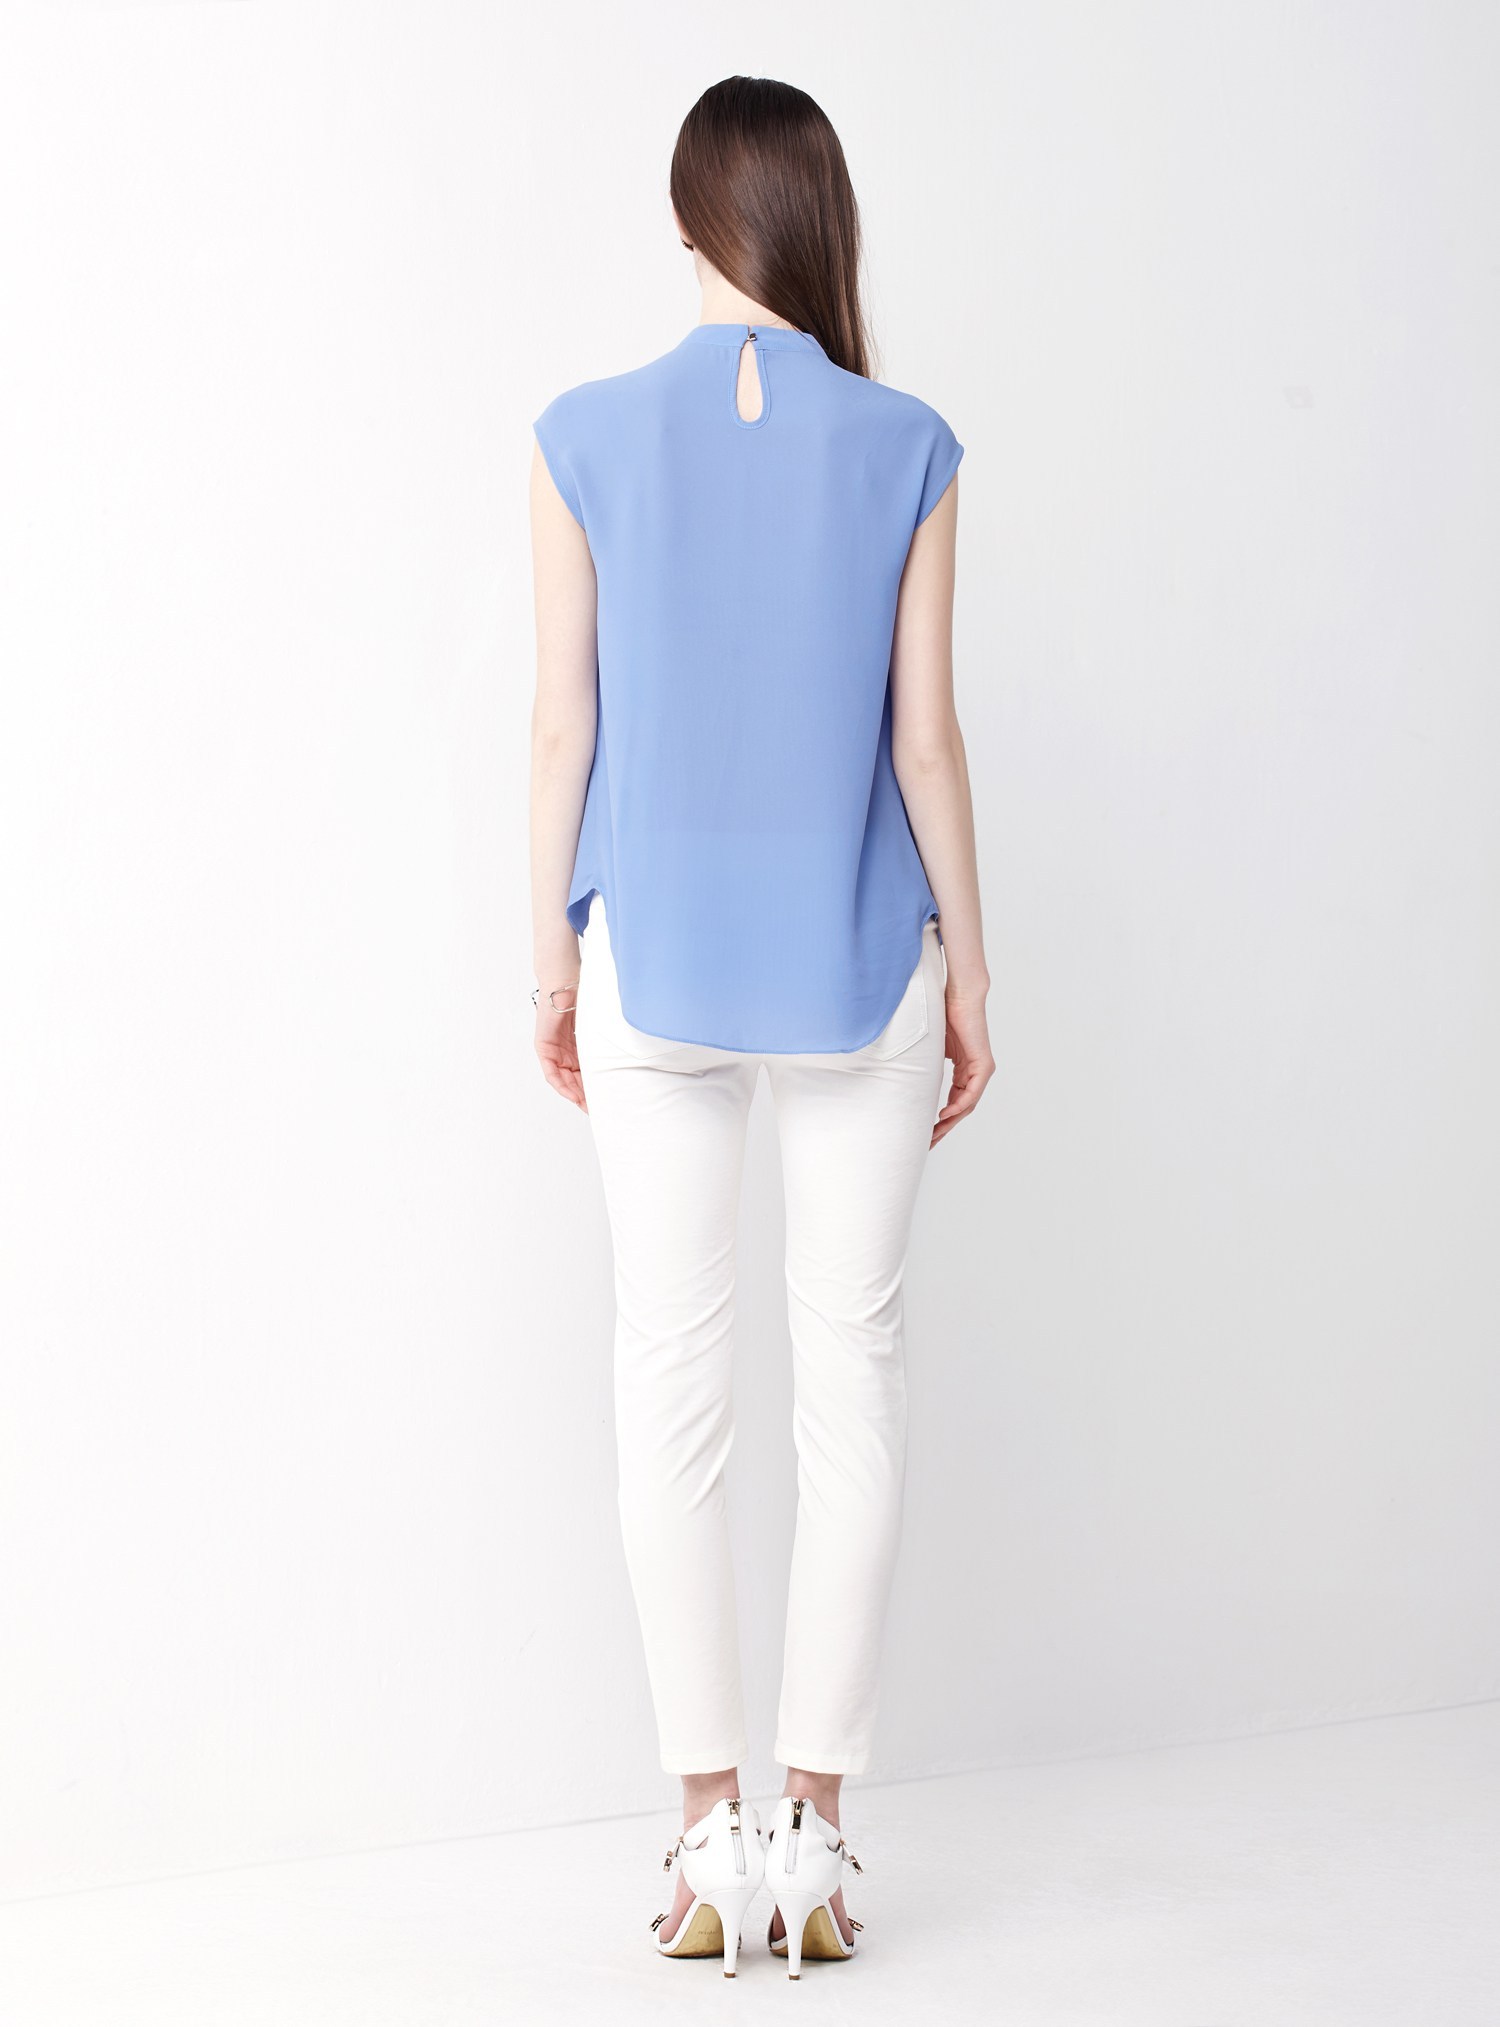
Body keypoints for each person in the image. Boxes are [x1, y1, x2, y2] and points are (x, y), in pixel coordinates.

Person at [528, 74, 993, 1976]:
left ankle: (705, 1838)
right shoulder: (908, 442)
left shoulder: (580, 435)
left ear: (683, 221)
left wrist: (548, 961)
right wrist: (977, 966)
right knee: (850, 1380)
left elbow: (563, 724)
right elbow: (925, 740)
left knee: (671, 1380)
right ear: (820, 220)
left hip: (655, 963)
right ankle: (813, 1837)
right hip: (860, 962)